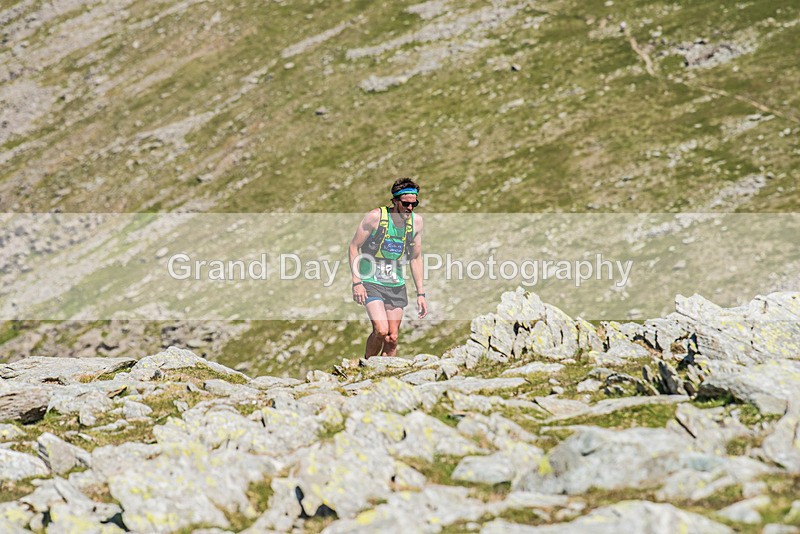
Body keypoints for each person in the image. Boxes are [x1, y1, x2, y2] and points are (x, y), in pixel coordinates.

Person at [349, 178, 428, 358]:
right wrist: (357, 283)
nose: (410, 208)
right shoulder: (375, 217)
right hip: (371, 280)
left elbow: (415, 257)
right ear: (395, 201)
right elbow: (354, 247)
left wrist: (421, 294)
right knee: (381, 330)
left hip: (396, 283)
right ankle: (367, 367)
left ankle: (383, 376)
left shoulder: (416, 223)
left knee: (392, 337)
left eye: (414, 204)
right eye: (406, 203)